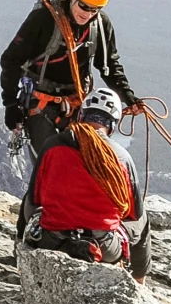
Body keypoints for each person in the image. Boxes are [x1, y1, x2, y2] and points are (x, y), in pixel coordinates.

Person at [0, 0, 136, 161]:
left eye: (95, 10)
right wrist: (11, 105)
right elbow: (11, 60)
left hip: (77, 103)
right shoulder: (44, 18)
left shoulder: (100, 25)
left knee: (83, 163)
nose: (87, 14)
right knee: (49, 161)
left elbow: (109, 65)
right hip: (41, 102)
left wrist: (129, 97)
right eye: (84, 6)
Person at [27, 83, 140, 262]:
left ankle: (21, 252)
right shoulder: (121, 157)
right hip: (104, 246)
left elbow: (33, 199)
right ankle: (139, 280)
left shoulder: (53, 145)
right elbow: (134, 214)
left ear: (81, 115)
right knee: (141, 221)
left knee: (31, 205)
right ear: (112, 125)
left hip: (52, 240)